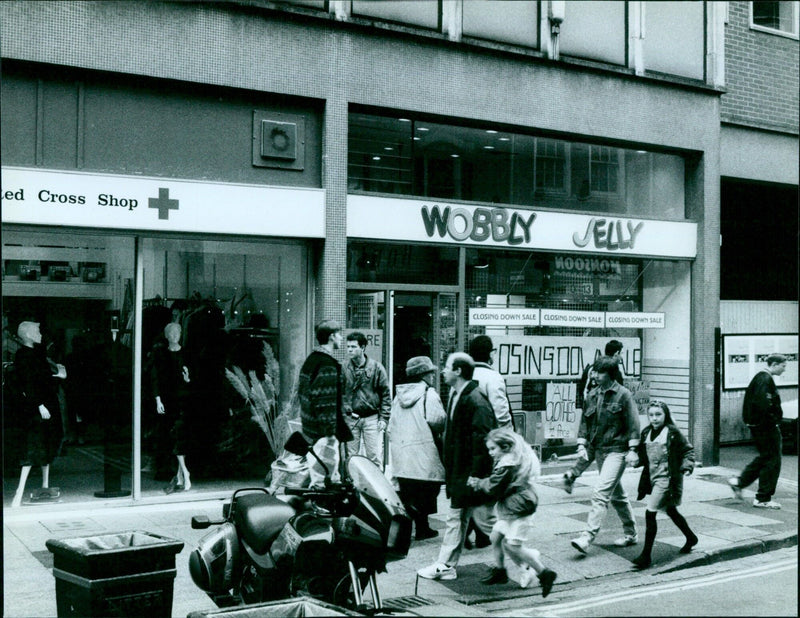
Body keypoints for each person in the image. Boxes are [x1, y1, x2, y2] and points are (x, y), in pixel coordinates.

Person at [417, 352, 497, 581]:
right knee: (460, 520)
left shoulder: (475, 399)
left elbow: (482, 441)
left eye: (447, 366)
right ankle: (446, 565)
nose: (443, 370)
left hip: (470, 475)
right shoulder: (458, 394)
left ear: (458, 371)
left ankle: (529, 565)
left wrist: (476, 474)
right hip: (461, 473)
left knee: (487, 524)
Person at [468, 428, 557, 596]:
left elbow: (494, 487)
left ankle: (545, 573)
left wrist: (477, 483)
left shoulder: (507, 464)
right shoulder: (509, 459)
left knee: (513, 546)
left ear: (506, 446)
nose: (490, 453)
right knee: (495, 537)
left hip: (519, 509)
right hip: (512, 507)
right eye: (489, 449)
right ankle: (501, 571)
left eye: (493, 449)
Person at [570, 356, 640, 555]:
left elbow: (633, 425)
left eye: (599, 372)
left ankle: (587, 537)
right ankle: (631, 533)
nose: (594, 375)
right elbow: (585, 421)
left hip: (617, 451)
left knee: (600, 493)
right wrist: (581, 444)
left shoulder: (623, 395)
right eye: (594, 371)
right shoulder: (592, 394)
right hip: (599, 450)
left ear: (610, 374)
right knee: (617, 496)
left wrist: (633, 450)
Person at [631, 401, 697, 569]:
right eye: (651, 415)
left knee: (650, 512)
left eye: (658, 414)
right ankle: (691, 537)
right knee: (670, 510)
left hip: (667, 479)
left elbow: (688, 450)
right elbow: (643, 455)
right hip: (652, 478)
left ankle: (646, 556)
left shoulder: (673, 432)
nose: (654, 418)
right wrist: (635, 460)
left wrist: (687, 467)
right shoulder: (646, 432)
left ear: (665, 415)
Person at [387, 356, 446, 540]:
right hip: (423, 452)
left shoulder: (399, 396)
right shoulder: (429, 394)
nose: (432, 376)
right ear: (423, 374)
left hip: (403, 454)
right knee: (427, 492)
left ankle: (408, 530)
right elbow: (438, 421)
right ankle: (423, 528)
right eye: (430, 372)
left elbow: (391, 426)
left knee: (408, 493)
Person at [11, 321, 67, 508]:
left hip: (47, 404)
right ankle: (19, 491)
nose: (40, 334)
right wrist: (39, 404)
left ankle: (45, 486)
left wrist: (57, 374)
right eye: (37, 331)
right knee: (33, 446)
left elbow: (47, 375)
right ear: (27, 334)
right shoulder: (23, 356)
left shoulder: (38, 354)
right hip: (38, 407)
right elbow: (26, 382)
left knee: (46, 443)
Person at [465, 334, 513, 549]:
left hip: (467, 440)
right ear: (490, 353)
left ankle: (472, 531)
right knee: (488, 486)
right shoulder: (493, 378)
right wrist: (509, 441)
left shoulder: (465, 374)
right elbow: (501, 413)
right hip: (489, 440)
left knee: (473, 483)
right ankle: (484, 532)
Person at [563, 339, 625, 494]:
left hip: (590, 413)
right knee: (604, 449)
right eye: (621, 353)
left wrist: (587, 410)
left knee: (591, 447)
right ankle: (607, 485)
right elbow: (619, 395)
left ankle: (573, 474)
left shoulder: (592, 367)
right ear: (617, 353)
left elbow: (582, 387)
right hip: (607, 417)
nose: (622, 357)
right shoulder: (613, 371)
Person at [728, 353, 787, 509]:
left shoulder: (760, 378)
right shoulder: (765, 379)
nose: (784, 370)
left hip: (758, 426)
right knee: (773, 461)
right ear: (774, 364)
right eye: (783, 366)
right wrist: (773, 422)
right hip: (765, 427)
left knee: (766, 457)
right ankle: (763, 498)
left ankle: (739, 482)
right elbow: (764, 405)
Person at [298, 319, 352, 487]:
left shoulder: (311, 360)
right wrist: (329, 433)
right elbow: (325, 401)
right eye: (339, 335)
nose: (342, 339)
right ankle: (316, 509)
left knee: (317, 471)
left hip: (310, 427)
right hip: (323, 433)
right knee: (323, 479)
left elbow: (304, 394)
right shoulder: (327, 365)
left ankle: (302, 502)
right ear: (332, 337)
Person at [151, 322, 192, 493]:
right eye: (171, 333)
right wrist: (158, 400)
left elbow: (192, 379)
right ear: (166, 335)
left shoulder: (187, 353)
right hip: (167, 401)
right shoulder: (160, 354)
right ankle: (182, 473)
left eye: (177, 332)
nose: (175, 336)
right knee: (171, 436)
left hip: (183, 400)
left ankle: (185, 473)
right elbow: (154, 378)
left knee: (179, 436)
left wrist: (188, 378)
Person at [343, 331, 391, 469]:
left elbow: (386, 395)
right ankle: (352, 487)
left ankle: (376, 488)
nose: (350, 350)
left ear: (363, 347)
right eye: (348, 347)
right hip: (351, 418)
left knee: (374, 456)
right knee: (351, 457)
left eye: (353, 347)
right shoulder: (344, 368)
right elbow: (340, 394)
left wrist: (384, 418)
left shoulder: (376, 368)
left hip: (372, 417)